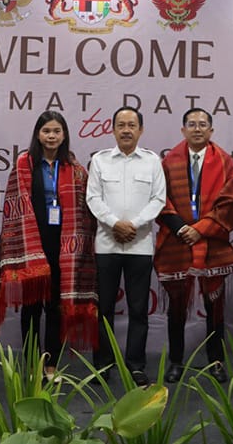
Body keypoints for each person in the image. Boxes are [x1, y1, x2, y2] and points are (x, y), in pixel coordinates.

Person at [0, 111, 97, 381]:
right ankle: (32, 364)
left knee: (56, 307)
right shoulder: (24, 164)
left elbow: (85, 213)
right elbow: (13, 208)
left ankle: (51, 364)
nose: (51, 136)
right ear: (38, 134)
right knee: (31, 308)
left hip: (63, 248)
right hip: (32, 242)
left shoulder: (76, 170)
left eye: (56, 131)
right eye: (46, 131)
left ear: (64, 135)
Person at [155, 108, 233, 384]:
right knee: (177, 307)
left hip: (211, 241)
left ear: (211, 130)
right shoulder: (168, 162)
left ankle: (216, 362)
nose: (197, 129)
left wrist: (201, 229)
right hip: (177, 240)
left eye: (202, 124)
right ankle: (176, 362)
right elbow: (159, 198)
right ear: (182, 130)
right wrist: (183, 228)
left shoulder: (225, 162)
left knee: (214, 305)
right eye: (191, 124)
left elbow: (231, 201)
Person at [86, 106, 166, 386]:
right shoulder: (100, 160)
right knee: (103, 308)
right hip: (107, 245)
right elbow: (93, 198)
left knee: (138, 309)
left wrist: (133, 224)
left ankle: (135, 365)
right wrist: (114, 223)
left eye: (132, 125)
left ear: (141, 130)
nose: (127, 130)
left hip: (139, 245)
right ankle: (102, 365)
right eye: (121, 125)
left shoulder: (152, 161)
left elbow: (158, 199)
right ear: (113, 129)